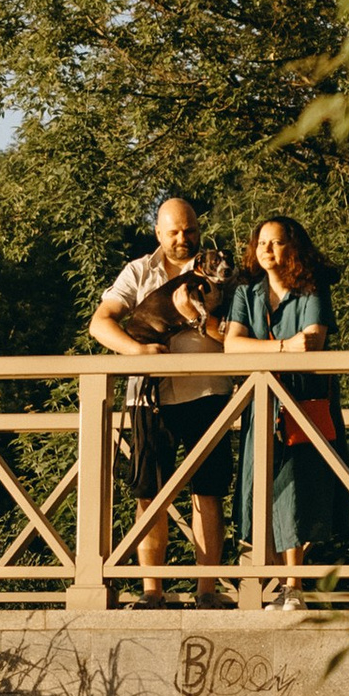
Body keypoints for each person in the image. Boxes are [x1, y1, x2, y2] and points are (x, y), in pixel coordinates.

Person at [90, 194, 232, 605]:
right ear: (158, 232)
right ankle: (153, 592)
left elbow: (236, 333)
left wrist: (197, 318)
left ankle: (207, 592)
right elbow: (100, 324)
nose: (182, 238)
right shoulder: (138, 271)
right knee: (148, 496)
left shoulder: (218, 269)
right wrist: (136, 352)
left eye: (189, 230)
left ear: (199, 229)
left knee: (208, 494)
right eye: (173, 231)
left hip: (208, 391)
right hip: (147, 396)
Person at [221, 214, 349, 588]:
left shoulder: (312, 288)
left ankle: (293, 585)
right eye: (261, 243)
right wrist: (281, 346)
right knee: (257, 486)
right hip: (260, 403)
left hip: (301, 401)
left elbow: (312, 343)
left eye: (276, 242)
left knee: (296, 488)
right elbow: (232, 346)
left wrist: (267, 350)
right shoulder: (246, 291)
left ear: (293, 247)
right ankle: (273, 582)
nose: (266, 250)